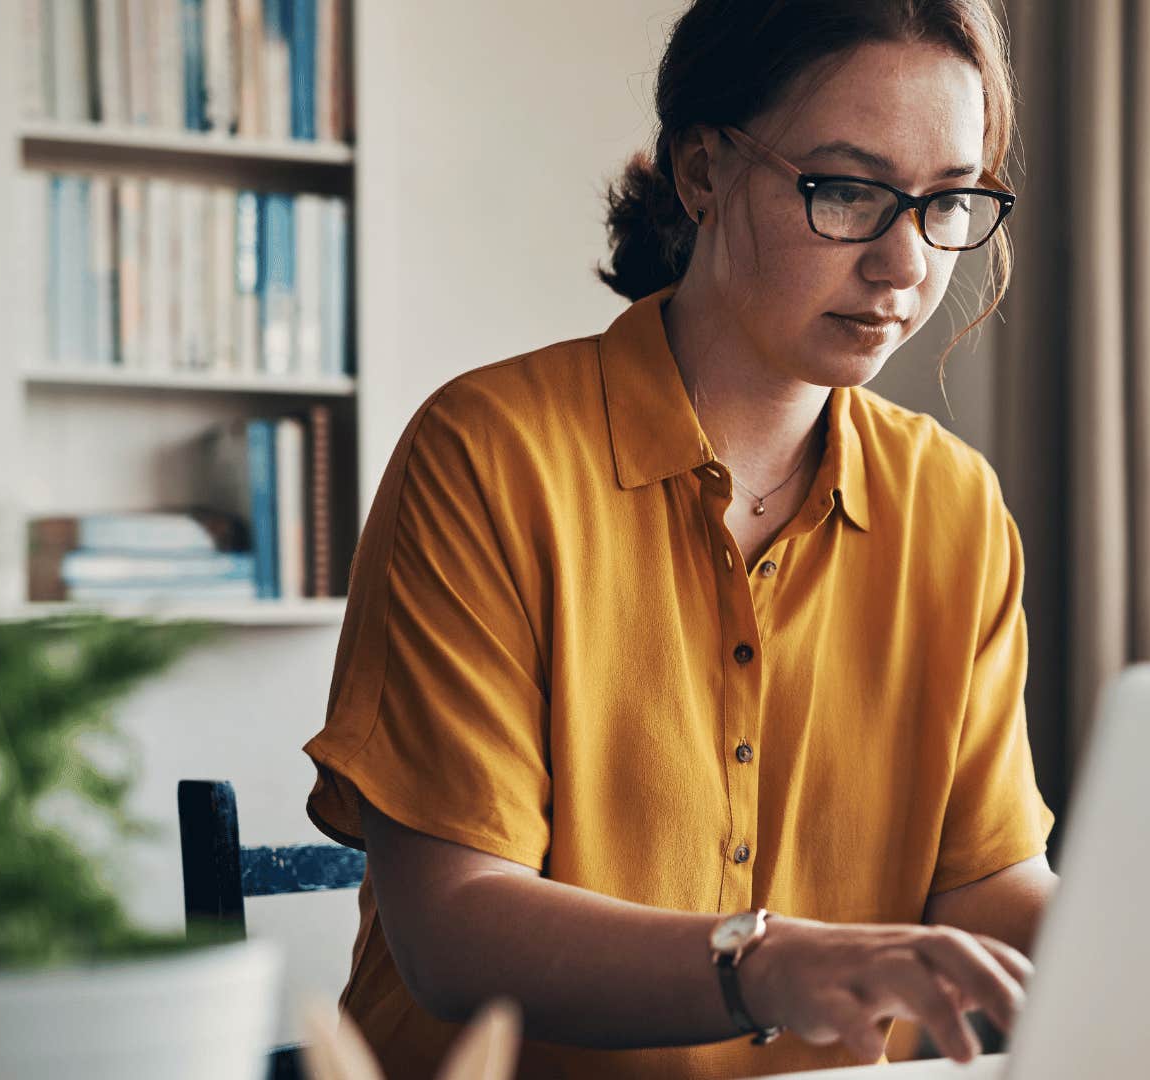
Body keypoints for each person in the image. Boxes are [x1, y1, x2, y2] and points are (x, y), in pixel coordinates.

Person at [300, 2, 1056, 1076]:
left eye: (948, 200)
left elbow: (988, 884)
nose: (904, 264)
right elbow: (452, 927)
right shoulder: (488, 455)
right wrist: (761, 962)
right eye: (847, 190)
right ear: (701, 171)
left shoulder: (956, 505)